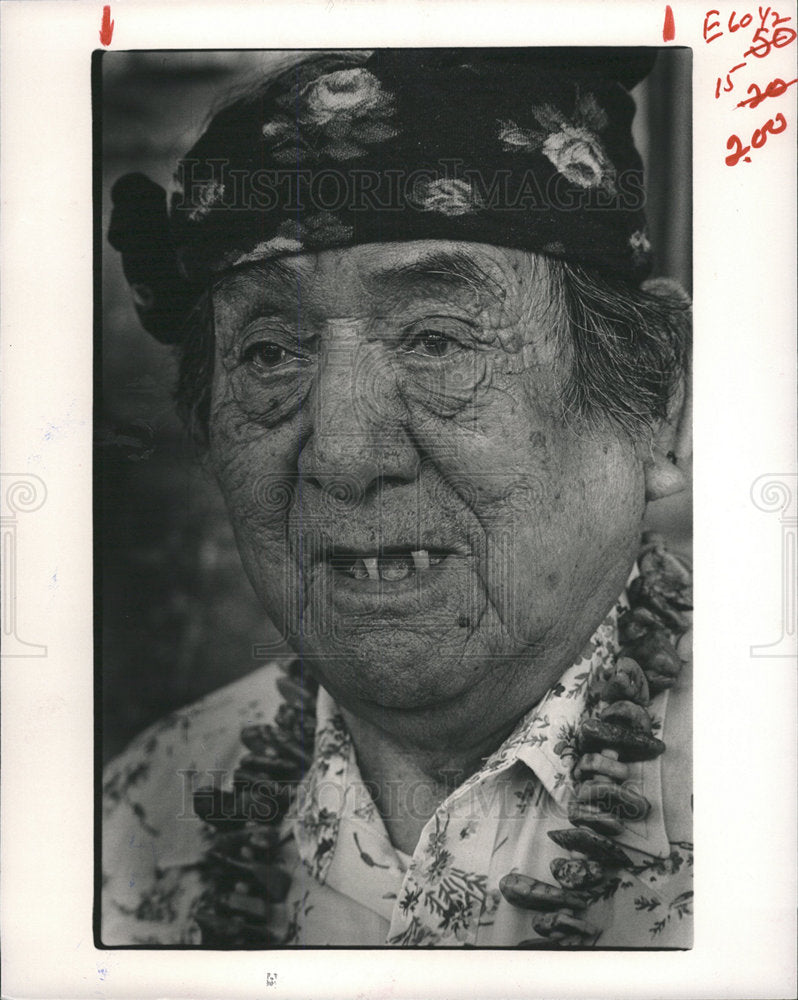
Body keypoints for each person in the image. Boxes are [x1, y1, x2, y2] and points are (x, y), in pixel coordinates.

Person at [101, 47, 693, 948]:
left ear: (652, 406)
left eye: (438, 340)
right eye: (269, 354)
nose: (343, 455)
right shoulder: (148, 807)